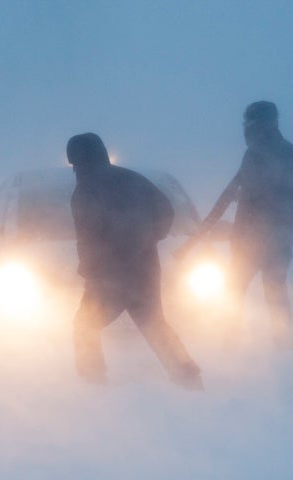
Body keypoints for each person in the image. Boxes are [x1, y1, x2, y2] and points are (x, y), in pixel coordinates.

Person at [67, 132, 202, 389]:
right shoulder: (132, 178)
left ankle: (93, 386)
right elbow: (166, 210)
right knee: (154, 324)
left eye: (75, 164)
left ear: (78, 161)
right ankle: (190, 381)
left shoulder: (85, 191)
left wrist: (89, 271)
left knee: (84, 326)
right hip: (145, 267)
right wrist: (149, 240)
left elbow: (88, 238)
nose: (76, 170)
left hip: (109, 275)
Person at [177, 101, 293, 342]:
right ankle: (268, 345)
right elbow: (231, 192)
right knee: (251, 292)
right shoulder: (265, 153)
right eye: (247, 124)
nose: (248, 129)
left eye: (252, 124)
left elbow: (232, 193)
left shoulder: (277, 155)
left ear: (268, 124)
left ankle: (250, 344)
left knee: (252, 292)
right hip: (259, 239)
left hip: (264, 239)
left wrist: (205, 230)